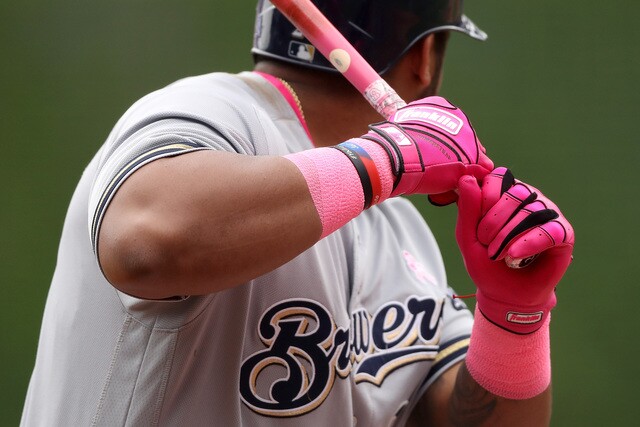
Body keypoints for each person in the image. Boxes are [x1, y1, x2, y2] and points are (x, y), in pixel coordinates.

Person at [21, 0, 574, 425]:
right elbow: (146, 240)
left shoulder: (397, 226)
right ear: (424, 55)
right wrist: (387, 158)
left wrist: (513, 319)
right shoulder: (214, 113)